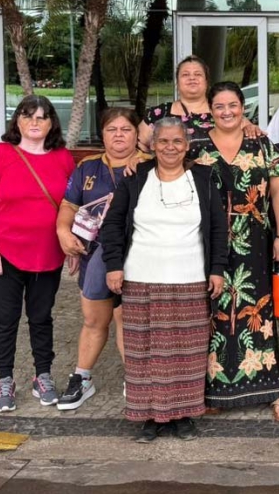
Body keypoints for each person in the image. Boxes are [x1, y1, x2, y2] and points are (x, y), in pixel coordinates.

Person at [102, 117, 227, 442]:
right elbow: (113, 224)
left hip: (190, 279)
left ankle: (183, 416)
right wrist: (113, 265)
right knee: (144, 352)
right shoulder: (135, 178)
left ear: (187, 146)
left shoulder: (203, 177)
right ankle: (149, 417)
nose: (170, 147)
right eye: (163, 141)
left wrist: (217, 269)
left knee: (187, 353)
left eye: (177, 141)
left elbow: (218, 227)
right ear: (153, 145)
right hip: (141, 280)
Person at [186, 81, 279, 421]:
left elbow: (278, 191)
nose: (227, 111)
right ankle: (214, 388)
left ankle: (271, 387)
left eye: (233, 105)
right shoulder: (195, 145)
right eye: (219, 106)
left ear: (242, 107)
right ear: (210, 110)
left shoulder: (260, 142)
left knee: (258, 309)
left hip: (255, 240)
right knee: (214, 308)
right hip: (208, 242)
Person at [0, 95, 75, 412]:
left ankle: (42, 375)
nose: (34, 122)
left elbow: (72, 206)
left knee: (41, 318)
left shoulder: (63, 158)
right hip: (6, 253)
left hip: (48, 254)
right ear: (17, 121)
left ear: (51, 123)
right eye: (27, 115)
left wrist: (72, 244)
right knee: (6, 320)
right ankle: (4, 379)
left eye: (41, 116)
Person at [55, 108, 147, 410]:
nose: (119, 135)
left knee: (126, 318)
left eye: (126, 129)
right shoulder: (88, 166)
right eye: (111, 129)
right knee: (94, 319)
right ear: (102, 134)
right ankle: (82, 378)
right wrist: (63, 231)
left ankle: (135, 379)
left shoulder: (149, 165)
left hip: (136, 253)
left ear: (137, 134)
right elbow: (69, 205)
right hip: (95, 252)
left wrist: (145, 157)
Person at [138, 55, 261, 150]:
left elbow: (249, 130)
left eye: (198, 74)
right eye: (185, 75)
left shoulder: (222, 112)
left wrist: (250, 128)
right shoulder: (158, 114)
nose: (192, 78)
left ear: (207, 81)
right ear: (177, 82)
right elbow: (138, 145)